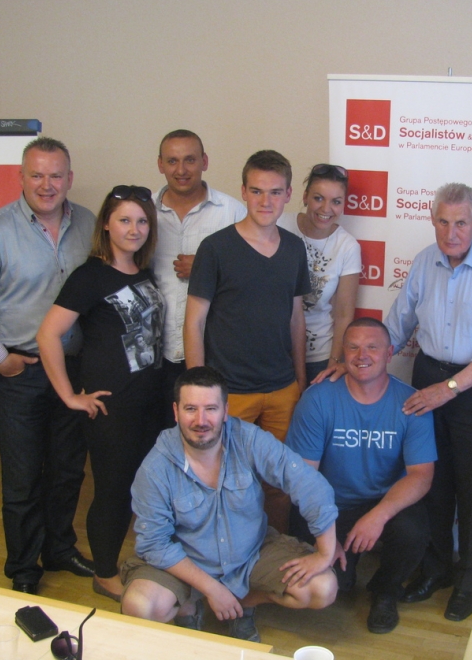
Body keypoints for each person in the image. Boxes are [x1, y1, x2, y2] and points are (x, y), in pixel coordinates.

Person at [0, 137, 96, 594]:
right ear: (21, 177)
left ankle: (60, 548)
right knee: (23, 476)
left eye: (56, 175)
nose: (47, 185)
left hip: (74, 370)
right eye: (37, 175)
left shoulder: (89, 223)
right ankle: (24, 567)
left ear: (69, 178)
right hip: (22, 372)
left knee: (67, 469)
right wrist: (1, 360)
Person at [120, 366, 339, 643]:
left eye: (211, 409)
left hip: (250, 553)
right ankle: (189, 606)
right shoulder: (155, 468)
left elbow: (308, 483)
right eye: (190, 409)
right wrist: (212, 589)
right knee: (139, 606)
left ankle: (242, 602)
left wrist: (325, 552)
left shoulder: (249, 439)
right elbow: (154, 544)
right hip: (187, 560)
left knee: (323, 587)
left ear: (225, 411)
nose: (201, 420)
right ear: (176, 412)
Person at [386, 182, 472, 622]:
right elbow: (398, 323)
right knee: (433, 484)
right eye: (442, 222)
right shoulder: (424, 261)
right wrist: (363, 360)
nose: (451, 232)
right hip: (428, 375)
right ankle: (437, 569)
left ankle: (471, 579)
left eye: (461, 222)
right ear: (433, 220)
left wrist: (446, 390)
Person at [37, 185, 165, 602]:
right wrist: (70, 395)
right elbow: (48, 334)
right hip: (113, 406)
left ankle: (140, 561)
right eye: (124, 220)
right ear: (106, 224)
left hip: (149, 402)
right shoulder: (90, 275)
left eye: (142, 221)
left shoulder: (143, 271)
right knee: (113, 490)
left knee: (141, 489)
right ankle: (105, 572)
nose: (134, 229)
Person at [184, 150, 310, 533]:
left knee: (279, 486)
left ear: (288, 194)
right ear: (243, 192)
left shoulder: (294, 248)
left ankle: (274, 553)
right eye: (256, 191)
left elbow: (296, 318)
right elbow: (194, 322)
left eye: (275, 192)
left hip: (282, 389)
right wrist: (198, 393)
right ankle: (223, 558)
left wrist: (300, 381)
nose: (265, 201)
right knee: (223, 484)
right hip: (229, 392)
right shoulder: (216, 248)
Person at [286, 318, 435, 634]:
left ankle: (386, 591)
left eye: (372, 347)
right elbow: (304, 478)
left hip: (383, 503)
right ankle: (346, 570)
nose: (362, 355)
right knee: (332, 585)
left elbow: (421, 475)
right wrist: (326, 537)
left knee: (413, 529)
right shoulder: (317, 399)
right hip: (331, 506)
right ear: (342, 353)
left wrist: (378, 516)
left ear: (389, 353)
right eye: (353, 347)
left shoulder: (411, 401)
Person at [152, 130, 246, 424]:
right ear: (160, 164)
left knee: (208, 436)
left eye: (190, 160)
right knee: (157, 437)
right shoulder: (144, 211)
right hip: (155, 355)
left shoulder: (232, 212)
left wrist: (209, 268)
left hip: (213, 353)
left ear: (204, 161)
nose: (181, 170)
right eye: (172, 161)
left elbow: (252, 279)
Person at [278, 164, 361, 383]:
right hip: (275, 350)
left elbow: (344, 314)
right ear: (305, 196)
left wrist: (334, 361)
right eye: (318, 198)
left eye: (336, 201)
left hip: (319, 356)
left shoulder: (347, 246)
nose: (326, 208)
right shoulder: (278, 224)